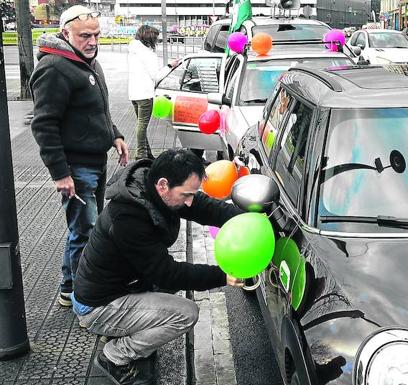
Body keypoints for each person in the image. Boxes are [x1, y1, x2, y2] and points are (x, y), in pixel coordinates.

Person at [72, 149, 245, 385]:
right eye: (186, 194)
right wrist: (222, 276)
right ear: (163, 185)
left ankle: (125, 327)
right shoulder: (128, 218)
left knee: (170, 291)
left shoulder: (156, 188)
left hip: (122, 286)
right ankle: (114, 356)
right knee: (185, 314)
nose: (190, 201)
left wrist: (248, 218)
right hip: (97, 306)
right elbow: (167, 274)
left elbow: (205, 207)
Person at [30, 5, 129, 307]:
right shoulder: (54, 68)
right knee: (86, 233)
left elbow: (95, 109)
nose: (93, 41)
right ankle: (84, 302)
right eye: (85, 35)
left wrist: (114, 134)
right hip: (77, 168)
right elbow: (44, 125)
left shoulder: (86, 62)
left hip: (95, 162)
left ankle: (69, 287)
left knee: (83, 230)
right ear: (65, 33)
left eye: (97, 34)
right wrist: (60, 173)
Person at [128, 25, 160, 160]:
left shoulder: (133, 50)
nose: (157, 41)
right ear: (150, 38)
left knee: (141, 124)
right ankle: (141, 154)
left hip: (134, 93)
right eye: (156, 38)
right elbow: (156, 76)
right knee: (142, 124)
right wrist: (170, 66)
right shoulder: (148, 54)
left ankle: (147, 153)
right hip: (145, 93)